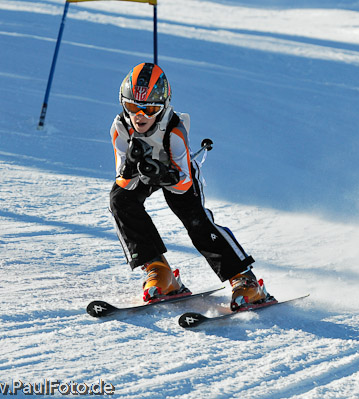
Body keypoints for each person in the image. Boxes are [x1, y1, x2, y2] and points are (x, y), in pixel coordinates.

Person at [109, 62, 269, 310]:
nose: (139, 116)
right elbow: (123, 181)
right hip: (144, 172)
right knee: (120, 200)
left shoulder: (173, 131)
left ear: (162, 107)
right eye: (132, 107)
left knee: (195, 220)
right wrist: (131, 165)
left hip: (177, 174)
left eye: (149, 108)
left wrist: (164, 174)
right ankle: (158, 270)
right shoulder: (120, 127)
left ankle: (243, 278)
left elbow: (183, 184)